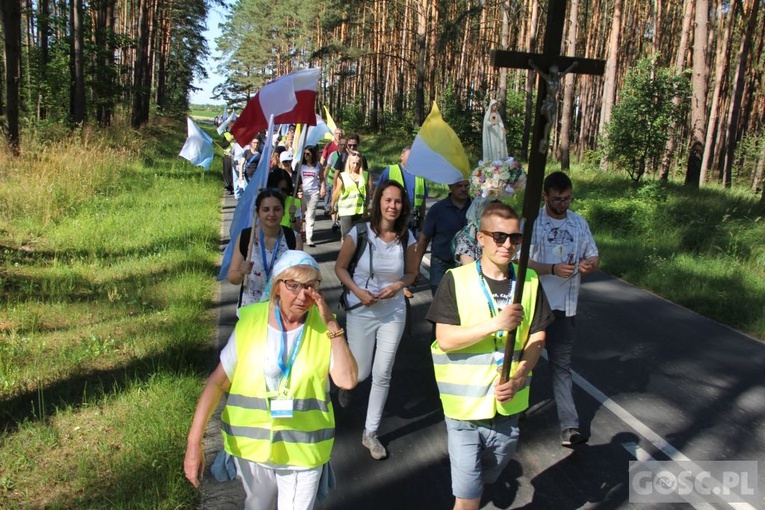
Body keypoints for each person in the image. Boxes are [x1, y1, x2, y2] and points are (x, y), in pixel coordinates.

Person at [184, 251, 358, 510]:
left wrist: (332, 325)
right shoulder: (251, 320)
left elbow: (347, 380)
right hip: (253, 449)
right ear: (277, 286)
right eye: (294, 285)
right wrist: (193, 443)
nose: (302, 296)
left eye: (311, 287)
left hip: (303, 451)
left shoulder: (324, 327)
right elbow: (218, 383)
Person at [426, 202, 553, 510]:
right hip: (464, 410)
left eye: (515, 238)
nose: (507, 244)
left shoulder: (530, 281)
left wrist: (522, 373)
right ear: (480, 237)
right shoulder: (455, 280)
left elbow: (537, 336)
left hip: (508, 406)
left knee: (492, 471)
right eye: (499, 236)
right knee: (468, 496)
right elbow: (445, 338)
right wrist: (495, 324)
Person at [334, 181, 418, 460]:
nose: (393, 206)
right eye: (388, 200)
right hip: (361, 309)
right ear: (378, 202)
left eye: (397, 201)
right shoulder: (359, 232)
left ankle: (370, 433)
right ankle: (345, 384)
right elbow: (340, 267)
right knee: (361, 374)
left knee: (383, 373)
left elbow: (411, 274)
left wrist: (397, 286)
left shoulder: (407, 237)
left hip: (392, 311)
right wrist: (358, 291)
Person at [528, 171, 599, 447]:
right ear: (545, 196)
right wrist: (552, 269)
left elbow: (593, 254)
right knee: (526, 361)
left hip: (565, 308)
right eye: (557, 199)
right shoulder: (532, 224)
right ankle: (517, 408)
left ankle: (569, 426)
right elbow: (520, 263)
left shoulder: (579, 223)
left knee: (562, 367)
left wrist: (590, 264)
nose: (563, 203)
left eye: (568, 198)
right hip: (535, 304)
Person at [228, 189, 303, 308]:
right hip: (250, 310)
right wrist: (241, 272)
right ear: (257, 212)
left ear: (283, 212)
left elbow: (301, 277)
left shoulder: (293, 238)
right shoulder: (246, 237)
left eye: (277, 209)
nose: (271, 214)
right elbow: (233, 278)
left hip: (282, 311)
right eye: (266, 209)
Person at [416, 178, 471, 294]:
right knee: (439, 305)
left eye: (466, 186)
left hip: (468, 267)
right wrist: (415, 268)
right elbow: (424, 239)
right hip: (441, 266)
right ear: (450, 187)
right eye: (459, 186)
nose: (463, 189)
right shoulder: (438, 209)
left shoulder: (476, 208)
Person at [378, 146, 428, 239]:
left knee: (409, 246)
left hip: (412, 219)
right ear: (402, 156)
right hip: (393, 217)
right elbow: (378, 194)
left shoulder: (420, 176)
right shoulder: (390, 170)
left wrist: (422, 218)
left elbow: (422, 200)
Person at [332, 151, 372, 240]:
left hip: (359, 210)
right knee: (348, 237)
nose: (355, 166)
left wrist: (367, 206)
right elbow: (336, 192)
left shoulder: (365, 175)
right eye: (353, 163)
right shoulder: (343, 176)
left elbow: (367, 192)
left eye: (357, 163)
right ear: (349, 163)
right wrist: (332, 206)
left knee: (359, 236)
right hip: (346, 211)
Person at [299, 146, 325, 247]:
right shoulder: (300, 165)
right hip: (302, 193)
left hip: (313, 193)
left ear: (313, 155)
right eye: (304, 154)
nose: (306, 156)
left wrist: (322, 187)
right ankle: (300, 234)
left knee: (310, 215)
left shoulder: (318, 165)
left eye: (308, 154)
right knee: (300, 215)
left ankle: (309, 238)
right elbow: (297, 179)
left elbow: (322, 178)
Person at [323, 139, 346, 228]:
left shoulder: (348, 156)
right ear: (338, 145)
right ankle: (334, 222)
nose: (343, 146)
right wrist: (323, 181)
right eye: (341, 144)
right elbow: (328, 167)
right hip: (332, 181)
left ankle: (337, 219)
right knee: (333, 200)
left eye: (345, 144)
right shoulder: (333, 155)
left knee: (339, 202)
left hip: (343, 182)